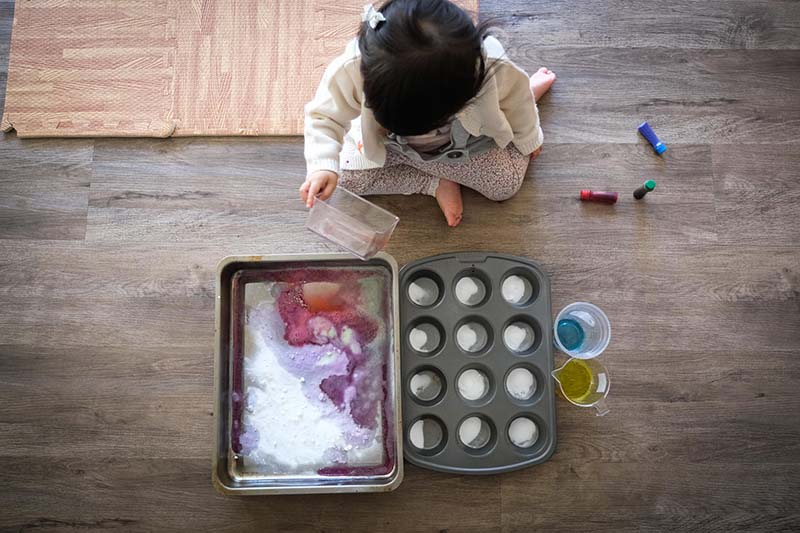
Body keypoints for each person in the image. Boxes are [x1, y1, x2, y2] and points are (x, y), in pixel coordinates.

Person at [300, 0, 556, 227]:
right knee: (345, 179)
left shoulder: (491, 67)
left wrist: (528, 137)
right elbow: (323, 116)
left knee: (505, 185)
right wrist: (322, 166)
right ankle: (434, 184)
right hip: (393, 146)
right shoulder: (351, 69)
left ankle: (532, 92)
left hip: (464, 144)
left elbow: (517, 101)